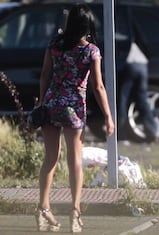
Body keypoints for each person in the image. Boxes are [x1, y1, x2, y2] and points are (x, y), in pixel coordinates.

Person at [35, 4, 114, 233]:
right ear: (88, 26)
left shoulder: (55, 45)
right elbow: (98, 86)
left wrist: (41, 102)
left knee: (50, 159)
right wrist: (108, 116)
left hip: (51, 105)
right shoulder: (91, 51)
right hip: (74, 110)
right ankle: (75, 212)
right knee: (74, 160)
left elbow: (44, 75)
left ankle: (43, 208)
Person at [118, 40, 158, 143]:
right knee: (142, 100)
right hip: (142, 65)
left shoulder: (117, 39)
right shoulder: (134, 39)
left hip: (129, 64)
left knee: (122, 99)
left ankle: (120, 133)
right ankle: (152, 131)